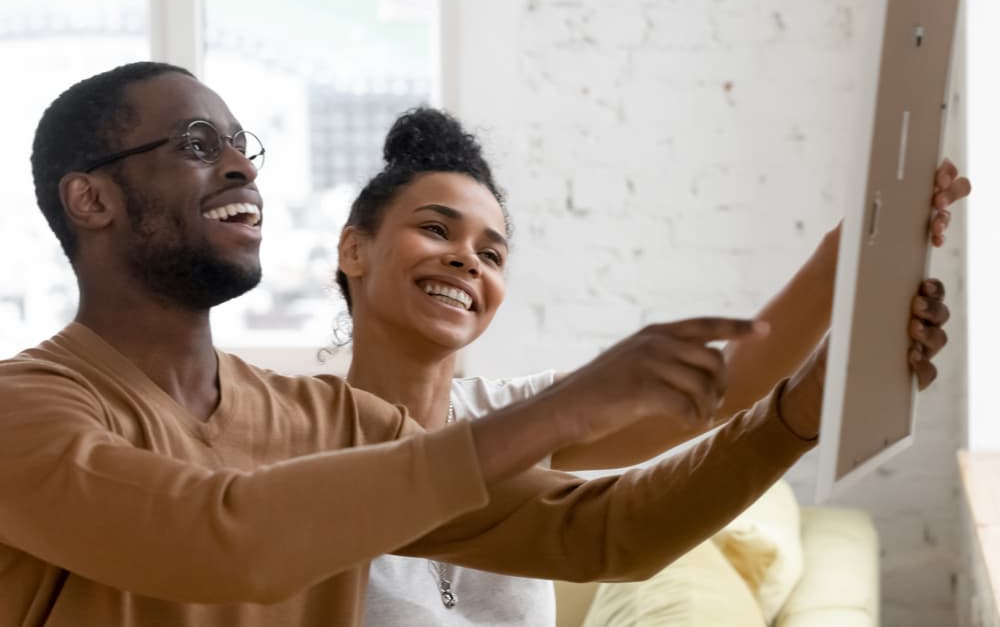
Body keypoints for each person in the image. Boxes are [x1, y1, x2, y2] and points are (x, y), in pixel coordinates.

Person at [0, 62, 949, 627]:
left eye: (245, 142)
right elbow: (224, 534)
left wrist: (804, 406)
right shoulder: (26, 409)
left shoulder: (325, 419)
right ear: (92, 198)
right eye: (200, 143)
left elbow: (601, 531)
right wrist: (562, 410)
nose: (244, 161)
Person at [335, 108, 966, 625]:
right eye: (436, 230)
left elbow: (721, 391)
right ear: (353, 249)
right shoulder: (291, 435)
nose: (468, 261)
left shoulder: (513, 417)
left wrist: (852, 251)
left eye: (491, 253)